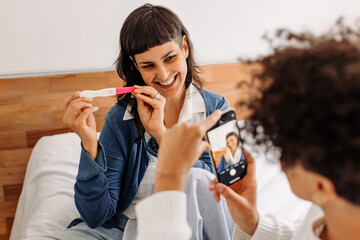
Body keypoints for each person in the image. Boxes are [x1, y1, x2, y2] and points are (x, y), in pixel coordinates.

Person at [135, 21, 360, 240]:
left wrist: (169, 176)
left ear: (321, 186)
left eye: (286, 153)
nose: (280, 160)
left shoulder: (214, 103)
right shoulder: (332, 208)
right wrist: (253, 223)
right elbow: (302, 235)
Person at [29, 4, 233, 240]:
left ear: (184, 48)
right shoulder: (121, 119)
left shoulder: (217, 109)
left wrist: (161, 134)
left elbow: (226, 187)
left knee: (195, 177)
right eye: (148, 65)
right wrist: (89, 144)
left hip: (191, 224)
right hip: (127, 229)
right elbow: (97, 215)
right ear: (136, 66)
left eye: (170, 58)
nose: (164, 75)